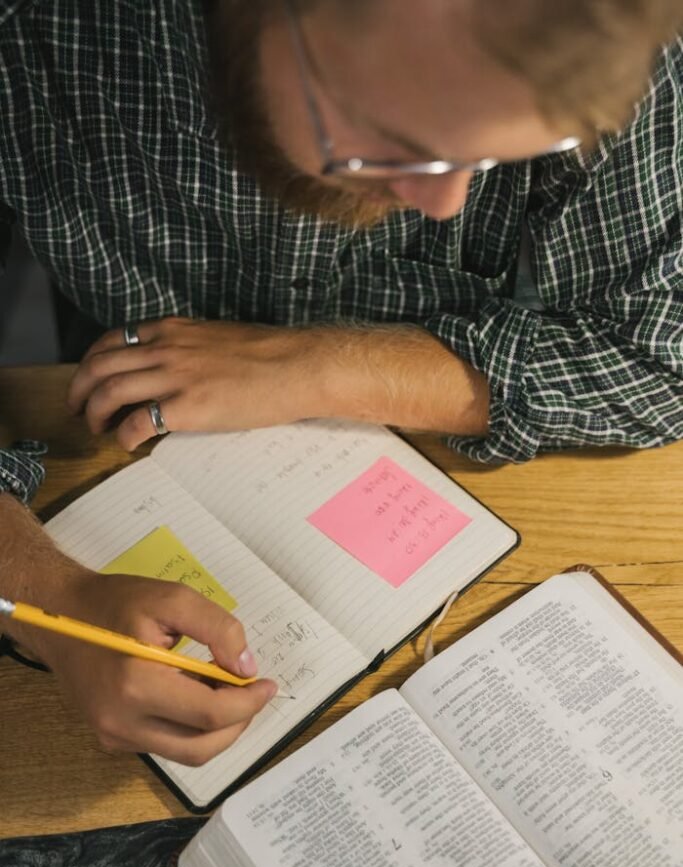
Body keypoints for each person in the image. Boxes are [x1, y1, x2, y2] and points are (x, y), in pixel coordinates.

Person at [0, 0, 681, 764]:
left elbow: (665, 352)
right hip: (99, 393)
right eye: (394, 142)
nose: (445, 201)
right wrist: (44, 600)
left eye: (494, 159)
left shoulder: (602, 19)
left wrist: (319, 366)